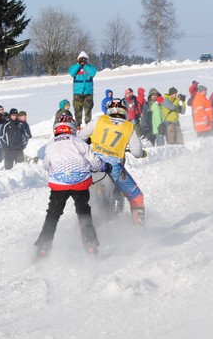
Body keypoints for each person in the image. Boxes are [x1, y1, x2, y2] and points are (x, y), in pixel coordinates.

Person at [34, 114, 105, 257]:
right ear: (72, 127)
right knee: (83, 212)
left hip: (59, 184)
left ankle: (43, 247)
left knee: (53, 214)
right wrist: (105, 167)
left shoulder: (51, 144)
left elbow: (46, 165)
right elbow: (95, 163)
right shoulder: (79, 142)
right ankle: (90, 245)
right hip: (80, 182)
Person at [79, 101, 148, 226]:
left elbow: (80, 138)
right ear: (124, 111)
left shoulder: (98, 120)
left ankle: (81, 229)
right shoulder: (128, 126)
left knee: (82, 196)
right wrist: (142, 153)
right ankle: (139, 230)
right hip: (113, 167)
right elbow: (137, 152)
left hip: (93, 164)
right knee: (136, 195)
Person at [69, 51, 97, 126]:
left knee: (88, 109)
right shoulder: (75, 67)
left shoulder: (89, 67)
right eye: (81, 59)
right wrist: (78, 64)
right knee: (77, 110)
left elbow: (92, 73)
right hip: (78, 92)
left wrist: (85, 65)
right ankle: (78, 125)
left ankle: (88, 124)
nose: (83, 61)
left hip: (88, 92)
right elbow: (72, 73)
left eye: (84, 59)